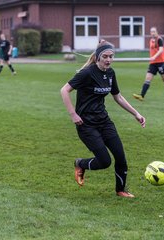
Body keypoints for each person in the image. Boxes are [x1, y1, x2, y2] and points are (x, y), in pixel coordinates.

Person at [60, 40, 146, 198]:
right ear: (98, 57)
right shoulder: (87, 73)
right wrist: (73, 114)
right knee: (104, 161)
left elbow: (118, 97)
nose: (108, 60)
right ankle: (80, 163)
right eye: (105, 56)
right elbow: (64, 90)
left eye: (111, 56)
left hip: (104, 121)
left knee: (121, 157)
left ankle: (121, 190)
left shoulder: (111, 73)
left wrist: (136, 113)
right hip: (86, 125)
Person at [133, 27, 164, 101]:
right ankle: (142, 96)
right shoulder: (151, 40)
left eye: (154, 31)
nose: (152, 33)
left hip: (161, 62)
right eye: (151, 32)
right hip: (153, 63)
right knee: (148, 78)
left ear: (156, 32)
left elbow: (161, 50)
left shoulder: (159, 39)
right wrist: (152, 58)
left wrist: (154, 56)